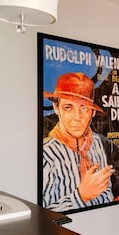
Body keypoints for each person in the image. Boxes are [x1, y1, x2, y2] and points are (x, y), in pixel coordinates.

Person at [42, 72, 114, 211]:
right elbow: (42, 216)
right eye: (68, 107)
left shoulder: (97, 143)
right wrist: (81, 196)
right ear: (56, 108)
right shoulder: (46, 154)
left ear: (92, 113)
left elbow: (106, 193)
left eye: (84, 108)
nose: (77, 117)